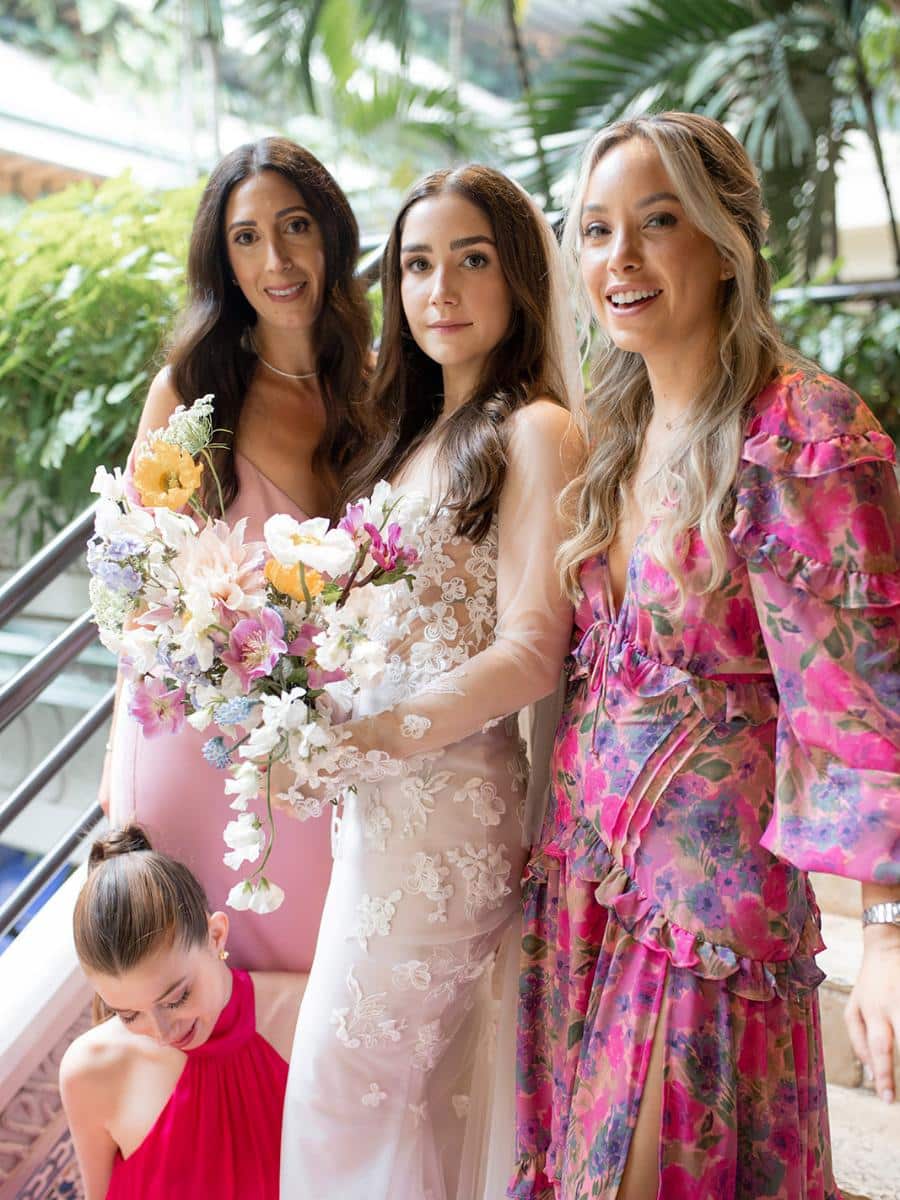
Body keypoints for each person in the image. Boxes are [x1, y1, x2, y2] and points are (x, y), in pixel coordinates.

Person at [511, 111, 900, 1200]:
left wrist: (888, 937)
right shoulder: (613, 429)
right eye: (594, 231)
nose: (618, 260)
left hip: (706, 924)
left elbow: (863, 708)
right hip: (584, 885)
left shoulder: (805, 433)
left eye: (657, 221)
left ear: (726, 240)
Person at [278, 164, 586, 1199]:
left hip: (450, 816)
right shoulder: (408, 444)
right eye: (417, 264)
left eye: (471, 260)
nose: (440, 289)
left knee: (344, 1085)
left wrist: (372, 738)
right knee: (371, 1095)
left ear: (519, 279)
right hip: (379, 819)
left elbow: (531, 650)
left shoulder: (532, 428)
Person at [100, 137, 371, 970]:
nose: (277, 259)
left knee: (313, 984)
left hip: (320, 751)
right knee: (191, 987)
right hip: (200, 743)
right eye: (246, 237)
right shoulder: (191, 388)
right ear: (223, 258)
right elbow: (135, 587)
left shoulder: (375, 385)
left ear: (331, 235)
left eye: (295, 227)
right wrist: (124, 766)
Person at [59, 826, 304, 1200]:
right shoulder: (90, 1070)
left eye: (176, 998)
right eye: (128, 1015)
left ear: (216, 935)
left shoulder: (307, 1014)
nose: (162, 1032)